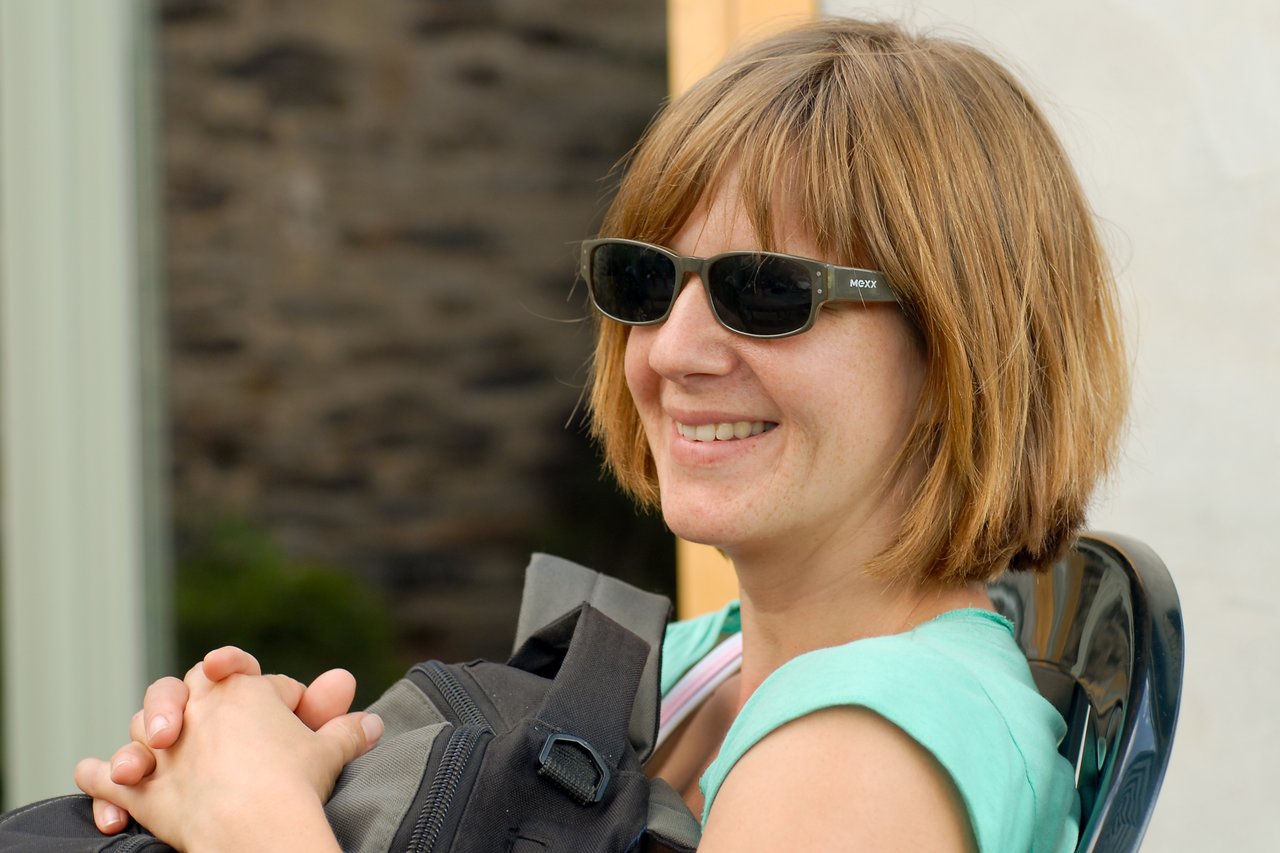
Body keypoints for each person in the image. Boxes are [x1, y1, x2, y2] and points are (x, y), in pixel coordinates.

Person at [75, 17, 1128, 851]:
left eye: (766, 292)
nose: (672, 350)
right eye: (645, 281)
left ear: (959, 346)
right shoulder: (715, 668)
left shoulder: (859, 758)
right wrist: (265, 752)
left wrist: (253, 819)